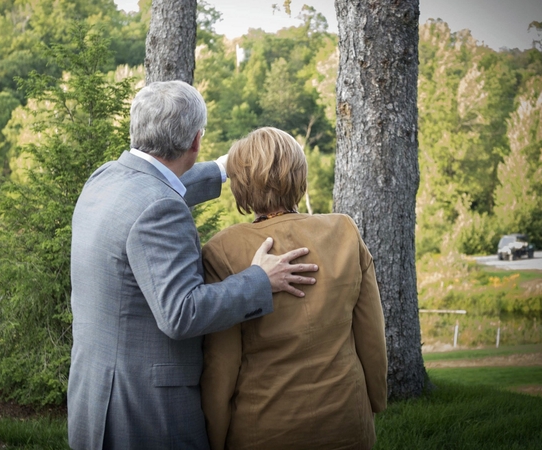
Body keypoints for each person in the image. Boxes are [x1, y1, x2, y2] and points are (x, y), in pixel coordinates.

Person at [68, 82, 319, 450]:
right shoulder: (160, 208)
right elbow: (181, 313)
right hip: (145, 410)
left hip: (96, 392)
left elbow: (156, 183)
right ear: (196, 140)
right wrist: (260, 279)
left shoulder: (105, 178)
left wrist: (223, 170)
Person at [200, 127, 388, 450]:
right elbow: (372, 337)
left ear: (240, 185)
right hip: (347, 421)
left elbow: (221, 366)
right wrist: (376, 401)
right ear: (299, 175)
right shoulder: (344, 231)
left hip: (264, 429)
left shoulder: (223, 250)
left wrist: (214, 438)